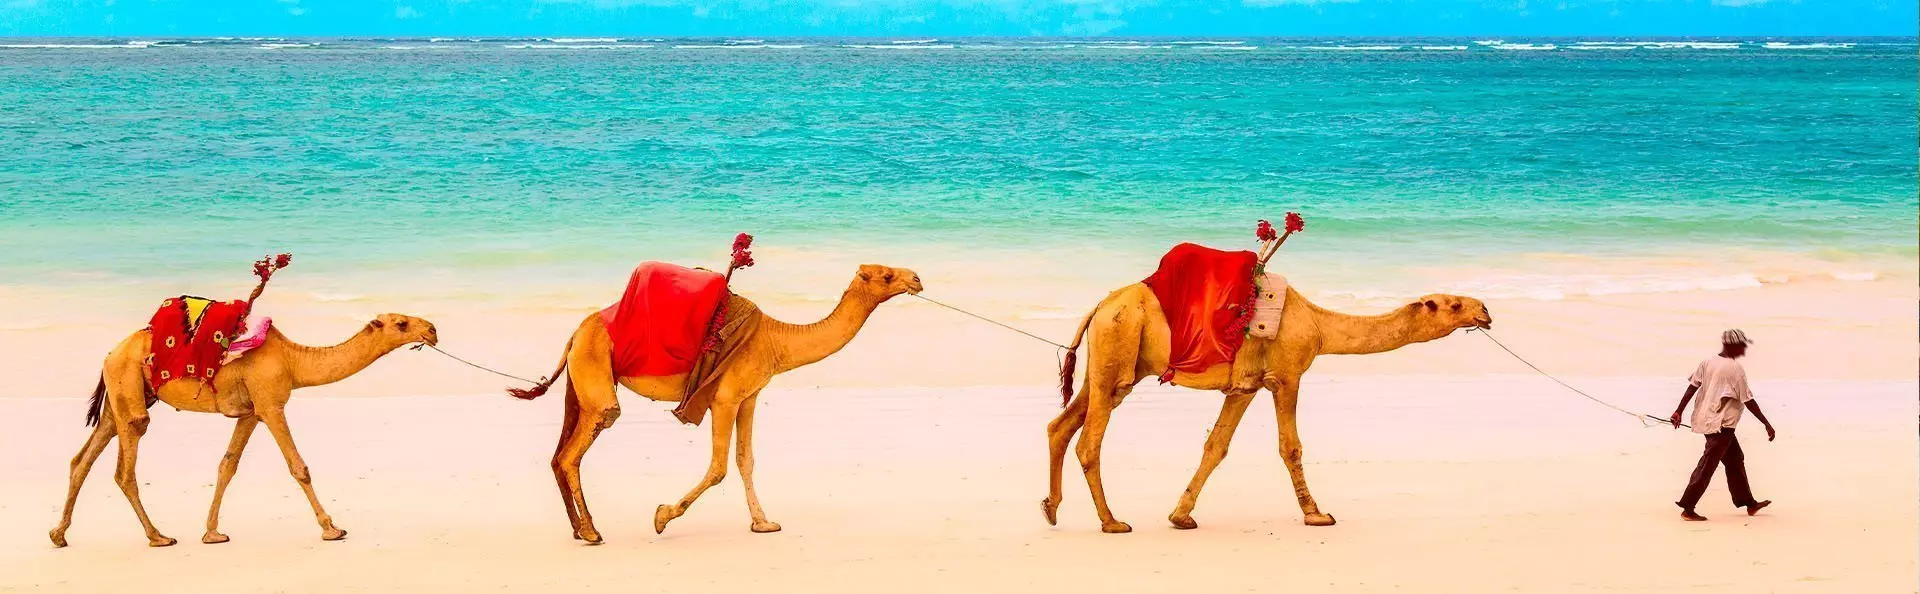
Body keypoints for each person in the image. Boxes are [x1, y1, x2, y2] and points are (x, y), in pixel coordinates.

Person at [1667, 329, 1775, 521]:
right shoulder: (1735, 369)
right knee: (1708, 464)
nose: (1744, 349)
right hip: (1721, 425)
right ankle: (1688, 507)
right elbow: (1748, 400)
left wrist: (1679, 411)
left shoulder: (1708, 362)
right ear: (1732, 345)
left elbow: (1692, 386)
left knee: (1735, 460)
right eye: (1742, 345)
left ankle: (1749, 503)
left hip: (1709, 420)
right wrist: (1766, 424)